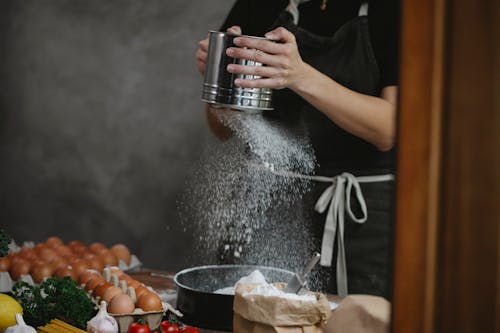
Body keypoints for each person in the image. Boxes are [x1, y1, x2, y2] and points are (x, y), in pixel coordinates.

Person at [195, 0, 399, 299]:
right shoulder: (259, 6)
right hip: (267, 203)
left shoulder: (393, 10)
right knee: (252, 318)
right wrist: (220, 77)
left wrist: (301, 76)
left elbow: (389, 130)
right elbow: (221, 130)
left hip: (358, 222)